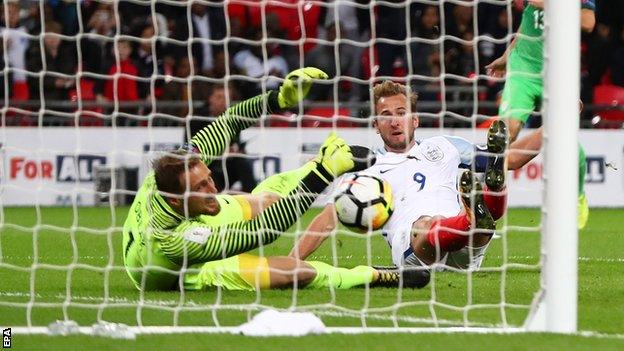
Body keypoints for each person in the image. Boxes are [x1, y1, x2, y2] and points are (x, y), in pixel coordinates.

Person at [123, 68, 429, 291]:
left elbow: (230, 121)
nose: (213, 188)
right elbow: (262, 231)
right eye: (202, 188)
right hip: (186, 267)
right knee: (294, 274)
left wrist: (276, 100)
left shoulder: (171, 170)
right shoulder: (174, 242)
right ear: (177, 199)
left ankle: (317, 164)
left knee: (268, 201)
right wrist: (323, 175)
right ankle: (374, 275)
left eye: (209, 178)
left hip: (182, 220)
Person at [289, 80, 541, 270]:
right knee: (426, 223)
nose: (395, 122)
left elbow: (513, 159)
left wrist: (556, 124)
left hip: (465, 247)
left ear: (416, 120)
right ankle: (480, 211)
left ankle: (481, 213)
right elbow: (327, 218)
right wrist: (292, 261)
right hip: (414, 253)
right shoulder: (367, 170)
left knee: (495, 168)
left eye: (401, 113)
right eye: (385, 116)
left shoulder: (445, 146)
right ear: (376, 126)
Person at [485, 0, 596, 228]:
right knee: (506, 132)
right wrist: (507, 57)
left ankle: (578, 196)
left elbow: (588, 23)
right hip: (523, 69)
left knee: (565, 140)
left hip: (557, 72)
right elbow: (526, 27)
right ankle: (484, 198)